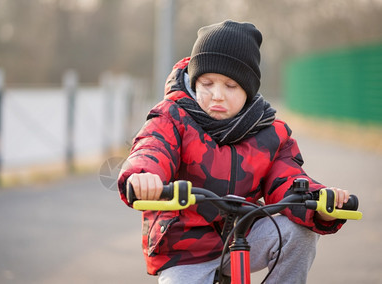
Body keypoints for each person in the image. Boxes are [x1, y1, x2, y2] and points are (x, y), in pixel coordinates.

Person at [117, 20, 351, 284]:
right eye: (207, 83)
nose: (217, 95)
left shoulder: (269, 132)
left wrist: (320, 203)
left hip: (244, 235)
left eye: (231, 86)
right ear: (195, 82)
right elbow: (152, 147)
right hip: (185, 250)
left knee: (300, 233)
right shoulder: (172, 117)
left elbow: (287, 179)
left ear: (248, 91)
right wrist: (144, 175)